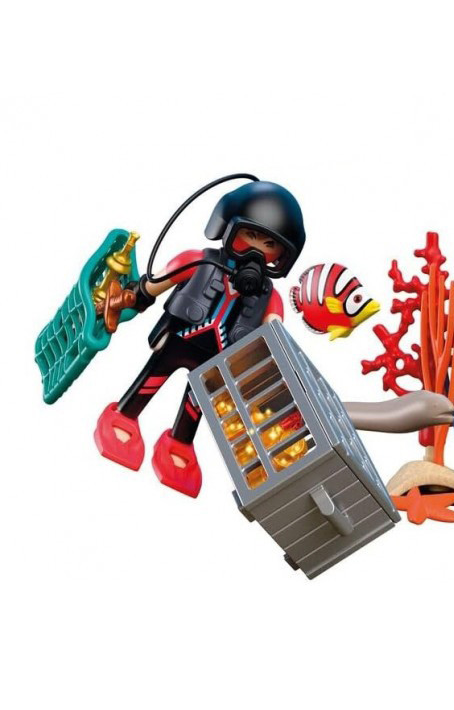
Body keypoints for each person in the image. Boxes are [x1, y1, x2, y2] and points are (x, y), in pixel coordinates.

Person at [93, 180, 306, 497]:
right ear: (227, 228)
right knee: (150, 380)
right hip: (177, 340)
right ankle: (125, 417)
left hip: (218, 364)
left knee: (196, 404)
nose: (257, 251)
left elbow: (275, 335)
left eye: (269, 245)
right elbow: (154, 285)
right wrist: (130, 297)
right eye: (250, 235)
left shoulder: (267, 297)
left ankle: (179, 445)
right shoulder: (198, 261)